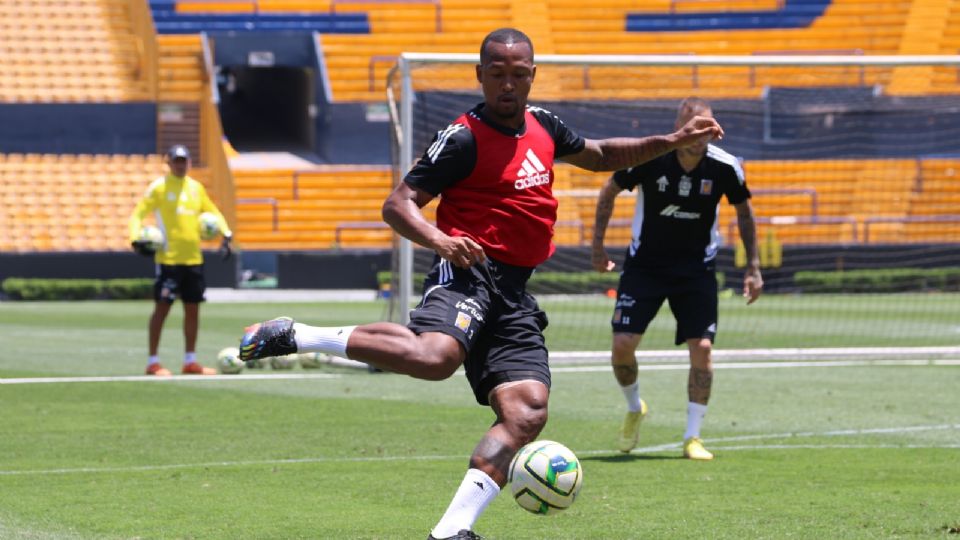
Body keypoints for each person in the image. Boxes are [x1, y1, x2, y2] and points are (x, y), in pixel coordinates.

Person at [238, 29, 723, 540]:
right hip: (467, 270)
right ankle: (298, 335)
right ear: (480, 76)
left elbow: (600, 154)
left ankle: (451, 531)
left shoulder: (544, 126)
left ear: (532, 75)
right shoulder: (463, 136)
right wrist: (440, 241)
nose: (508, 84)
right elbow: (397, 204)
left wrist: (670, 142)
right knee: (435, 358)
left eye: (518, 74)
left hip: (514, 290)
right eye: (497, 74)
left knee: (528, 410)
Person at [590, 97, 763, 461]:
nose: (700, 133)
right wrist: (598, 247)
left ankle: (692, 436)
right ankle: (635, 407)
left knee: (702, 349)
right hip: (644, 268)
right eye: (694, 125)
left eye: (707, 125)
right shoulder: (650, 157)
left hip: (696, 271)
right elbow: (609, 190)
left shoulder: (726, 167)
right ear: (680, 127)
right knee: (622, 344)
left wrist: (753, 267)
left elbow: (745, 214)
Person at [129, 144, 234, 376]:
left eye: (184, 160)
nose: (180, 164)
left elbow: (213, 212)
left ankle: (190, 360)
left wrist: (225, 233)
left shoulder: (196, 188)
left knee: (193, 310)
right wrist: (135, 238)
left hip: (193, 260)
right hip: (168, 260)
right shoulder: (158, 188)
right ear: (168, 163)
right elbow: (138, 214)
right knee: (162, 309)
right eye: (176, 161)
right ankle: (153, 361)